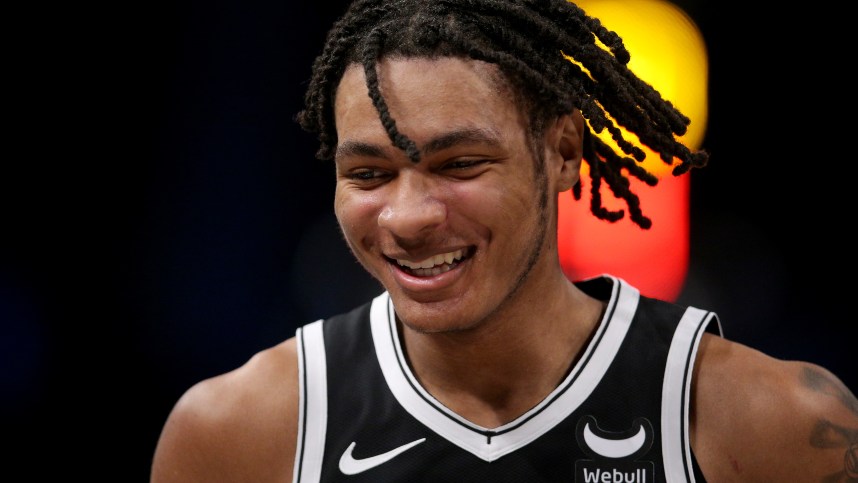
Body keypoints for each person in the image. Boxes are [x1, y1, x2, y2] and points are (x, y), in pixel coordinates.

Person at [150, 0, 858, 481]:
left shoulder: (777, 423)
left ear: (563, 152)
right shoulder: (235, 433)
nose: (407, 216)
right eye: (368, 173)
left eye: (459, 164)